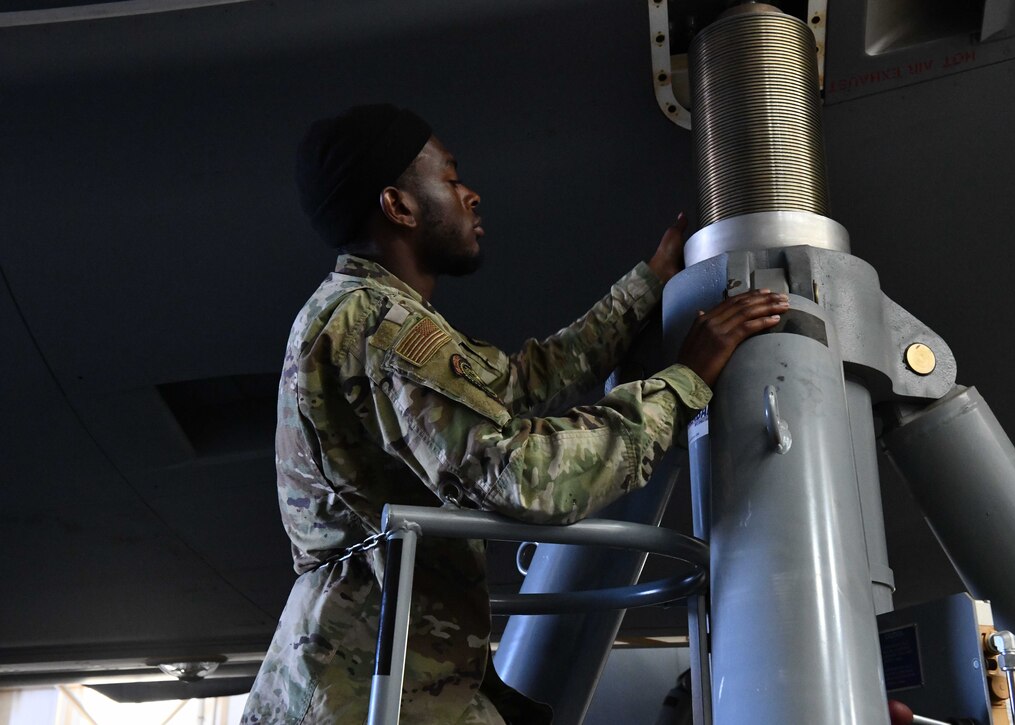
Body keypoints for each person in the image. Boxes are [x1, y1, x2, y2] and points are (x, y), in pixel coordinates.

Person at [242, 104, 789, 724]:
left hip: (380, 678)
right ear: (399, 207)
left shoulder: (358, 314)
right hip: (371, 689)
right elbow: (521, 475)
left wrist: (646, 286)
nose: (470, 195)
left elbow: (513, 385)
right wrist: (680, 384)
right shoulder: (380, 326)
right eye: (449, 179)